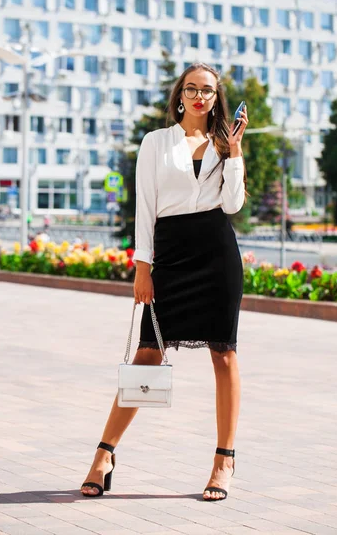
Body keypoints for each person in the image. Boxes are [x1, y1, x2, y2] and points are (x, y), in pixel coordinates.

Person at [81, 62, 249, 502]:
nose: (199, 96)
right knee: (147, 354)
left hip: (217, 255)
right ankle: (104, 454)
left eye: (208, 91)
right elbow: (145, 206)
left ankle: (223, 462)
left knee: (224, 355)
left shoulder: (224, 144)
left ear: (216, 98)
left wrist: (235, 154)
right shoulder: (157, 142)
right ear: (179, 95)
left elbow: (232, 204)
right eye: (191, 89)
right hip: (171, 257)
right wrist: (142, 266)